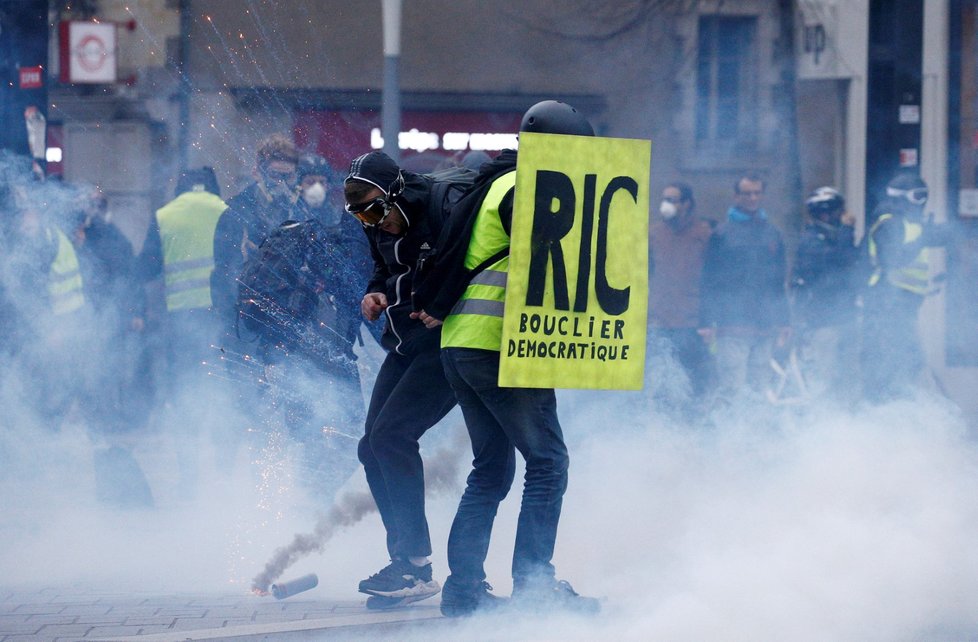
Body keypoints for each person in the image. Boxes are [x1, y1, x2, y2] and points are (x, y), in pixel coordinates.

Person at [413, 100, 601, 617]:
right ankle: (536, 591)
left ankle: (464, 593)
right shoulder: (528, 188)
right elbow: (551, 258)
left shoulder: (494, 182)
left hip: (462, 344)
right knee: (548, 463)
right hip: (500, 347)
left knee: (491, 471)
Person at [343, 151, 458, 606]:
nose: (372, 222)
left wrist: (444, 304)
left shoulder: (440, 209)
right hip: (406, 339)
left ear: (396, 192)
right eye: (360, 215)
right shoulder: (375, 224)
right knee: (371, 444)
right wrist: (374, 292)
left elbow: (468, 264)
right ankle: (407, 562)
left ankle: (414, 566)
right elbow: (387, 269)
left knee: (392, 436)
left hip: (447, 341)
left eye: (376, 209)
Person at [699, 172, 791, 404]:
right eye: (747, 193)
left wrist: (784, 320)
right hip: (732, 324)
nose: (752, 198)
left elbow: (778, 281)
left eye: (757, 193)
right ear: (736, 196)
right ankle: (728, 435)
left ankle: (755, 437)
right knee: (733, 388)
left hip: (764, 323)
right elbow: (708, 279)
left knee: (760, 389)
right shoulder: (721, 234)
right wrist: (705, 321)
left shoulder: (773, 233)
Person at [861, 172, 951, 402]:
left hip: (902, 305)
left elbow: (928, 240)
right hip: (885, 303)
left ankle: (894, 413)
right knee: (889, 364)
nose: (923, 202)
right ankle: (876, 415)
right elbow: (892, 259)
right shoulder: (889, 223)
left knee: (907, 361)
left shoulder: (909, 224)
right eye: (918, 196)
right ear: (903, 198)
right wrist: (923, 239)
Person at [212, 134, 299, 348]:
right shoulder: (236, 212)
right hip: (247, 320)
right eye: (274, 175)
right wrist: (230, 323)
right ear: (257, 173)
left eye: (288, 177)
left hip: (292, 319)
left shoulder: (302, 211)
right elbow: (224, 270)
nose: (281, 185)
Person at [790, 186, 862, 404]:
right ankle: (824, 425)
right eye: (833, 211)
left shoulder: (835, 238)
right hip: (823, 321)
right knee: (825, 379)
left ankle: (850, 425)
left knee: (851, 376)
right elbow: (841, 261)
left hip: (847, 317)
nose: (839, 215)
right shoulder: (812, 241)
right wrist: (848, 231)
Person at [648, 181, 715, 410]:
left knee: (693, 379)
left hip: (691, 321)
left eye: (672, 199)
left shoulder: (704, 234)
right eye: (664, 199)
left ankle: (691, 427)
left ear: (686, 204)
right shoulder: (654, 234)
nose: (666, 205)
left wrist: (708, 319)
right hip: (659, 319)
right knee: (659, 379)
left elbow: (713, 279)